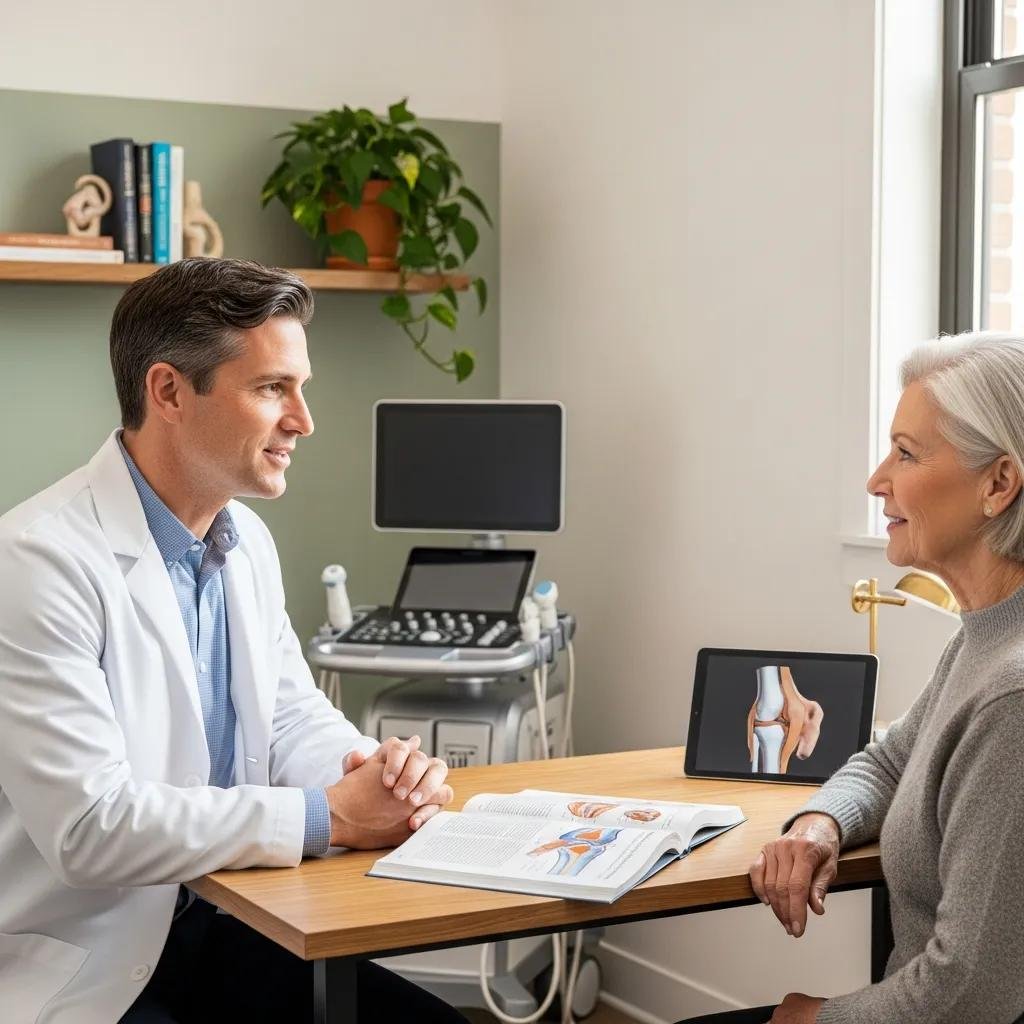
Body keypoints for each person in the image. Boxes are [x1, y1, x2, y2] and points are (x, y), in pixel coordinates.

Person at [0, 258, 467, 1024]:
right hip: (92, 961)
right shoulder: (36, 560)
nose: (303, 420)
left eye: (299, 387)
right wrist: (329, 816)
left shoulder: (242, 538)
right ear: (170, 391)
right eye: (272, 388)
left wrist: (370, 772)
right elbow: (89, 830)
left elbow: (288, 715)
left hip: (228, 921)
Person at [677, 331, 1024, 1024]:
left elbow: (972, 996)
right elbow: (889, 761)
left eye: (905, 453)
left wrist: (811, 1018)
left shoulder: (1011, 697)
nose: (876, 480)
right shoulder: (983, 639)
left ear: (999, 483)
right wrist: (820, 824)